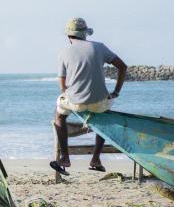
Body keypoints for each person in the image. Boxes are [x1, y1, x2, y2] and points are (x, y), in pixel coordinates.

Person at [50, 18, 127, 176]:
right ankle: (96, 159)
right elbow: (122, 67)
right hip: (99, 103)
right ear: (85, 34)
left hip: (75, 103)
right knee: (104, 117)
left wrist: (68, 93)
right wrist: (116, 92)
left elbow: (62, 85)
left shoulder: (63, 53)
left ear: (69, 36)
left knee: (59, 115)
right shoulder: (98, 47)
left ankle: (65, 157)